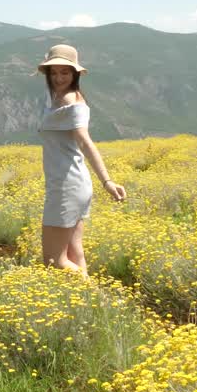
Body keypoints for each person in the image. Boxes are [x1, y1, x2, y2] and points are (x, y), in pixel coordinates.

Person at [35, 44, 126, 273]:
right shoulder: (58, 97)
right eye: (53, 72)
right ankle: (92, 304)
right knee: (75, 254)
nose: (58, 78)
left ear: (74, 74)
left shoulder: (70, 102)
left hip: (66, 187)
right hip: (72, 184)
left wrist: (107, 181)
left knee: (54, 261)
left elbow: (86, 142)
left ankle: (98, 297)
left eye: (64, 72)